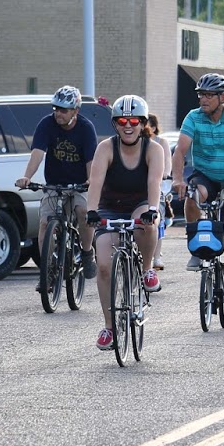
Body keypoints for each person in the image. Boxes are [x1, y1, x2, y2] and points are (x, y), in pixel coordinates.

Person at [83, 96, 167, 351]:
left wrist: (152, 209)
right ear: (115, 124)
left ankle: (147, 269)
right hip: (110, 206)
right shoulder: (106, 148)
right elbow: (95, 182)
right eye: (122, 121)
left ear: (143, 124)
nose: (127, 126)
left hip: (141, 203)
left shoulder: (153, 149)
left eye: (133, 121)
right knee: (105, 267)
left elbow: (154, 183)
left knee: (147, 223)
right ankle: (109, 327)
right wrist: (91, 211)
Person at [169, 72, 224, 314]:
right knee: (193, 194)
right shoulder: (194, 117)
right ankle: (196, 248)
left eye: (208, 95)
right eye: (200, 95)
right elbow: (180, 150)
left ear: (222, 97)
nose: (203, 100)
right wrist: (177, 179)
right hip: (206, 174)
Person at [17, 85, 99, 277]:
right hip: (54, 184)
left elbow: (91, 161)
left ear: (75, 110)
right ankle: (47, 270)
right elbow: (37, 153)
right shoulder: (46, 124)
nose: (58, 113)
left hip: (80, 184)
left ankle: (87, 252)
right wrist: (27, 176)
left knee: (84, 211)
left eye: (63, 110)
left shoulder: (85, 128)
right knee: (45, 222)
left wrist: (90, 180)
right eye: (55, 108)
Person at [145, 113, 170, 271]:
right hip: (138, 187)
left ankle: (156, 256)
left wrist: (165, 174)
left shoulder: (161, 143)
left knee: (156, 219)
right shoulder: (135, 142)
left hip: (158, 186)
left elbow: (168, 162)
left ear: (153, 127)